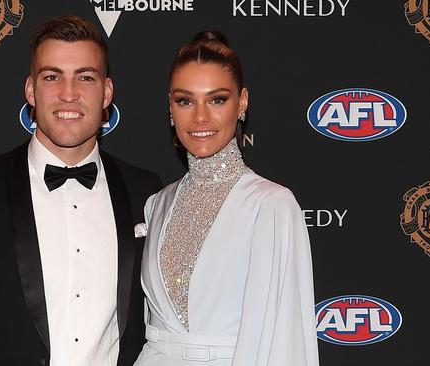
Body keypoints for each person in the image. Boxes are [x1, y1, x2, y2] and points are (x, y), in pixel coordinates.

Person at [0, 16, 162, 366]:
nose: (68, 93)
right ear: (30, 90)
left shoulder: (145, 192)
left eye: (85, 77)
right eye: (52, 76)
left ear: (107, 92)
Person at [134, 31, 319, 365]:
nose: (200, 117)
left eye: (217, 99)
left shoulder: (271, 205)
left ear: (242, 102)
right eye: (185, 100)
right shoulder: (157, 204)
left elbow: (284, 340)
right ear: (170, 107)